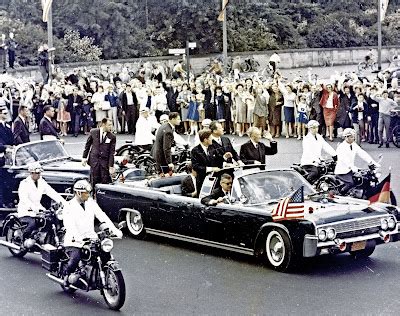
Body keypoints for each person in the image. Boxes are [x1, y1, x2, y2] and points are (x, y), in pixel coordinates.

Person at [62, 179, 123, 287]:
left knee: (104, 254)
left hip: (91, 237)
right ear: (78, 193)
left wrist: (115, 230)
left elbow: (102, 216)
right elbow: (69, 225)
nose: (88, 195)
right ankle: (66, 276)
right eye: (86, 193)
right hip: (74, 240)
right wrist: (79, 237)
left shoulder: (90, 202)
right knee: (75, 258)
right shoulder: (69, 206)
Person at [17, 162, 65, 248]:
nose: (39, 175)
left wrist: (63, 202)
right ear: (32, 173)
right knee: (33, 223)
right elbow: (24, 199)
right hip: (26, 211)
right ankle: (23, 241)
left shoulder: (41, 182)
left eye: (40, 173)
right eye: (37, 173)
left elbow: (52, 192)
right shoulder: (24, 183)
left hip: (39, 210)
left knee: (51, 220)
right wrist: (34, 208)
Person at [334, 128, 378, 194]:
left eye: (353, 136)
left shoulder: (353, 145)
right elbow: (344, 160)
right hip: (342, 171)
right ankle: (341, 193)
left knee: (364, 178)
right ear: (346, 137)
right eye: (351, 137)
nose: (353, 138)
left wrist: (372, 162)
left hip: (351, 170)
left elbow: (362, 153)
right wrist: (352, 167)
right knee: (351, 183)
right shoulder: (341, 147)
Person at [82, 118, 116, 188]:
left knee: (104, 183)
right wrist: (84, 158)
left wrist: (111, 166)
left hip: (104, 163)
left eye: (111, 125)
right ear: (103, 124)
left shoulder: (112, 137)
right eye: (109, 125)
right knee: (94, 182)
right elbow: (87, 146)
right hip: (94, 162)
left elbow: (111, 152)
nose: (111, 127)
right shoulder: (93, 132)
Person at [0, 105, 13, 207]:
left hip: (7, 157)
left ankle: (8, 200)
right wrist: (5, 148)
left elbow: (11, 139)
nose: (6, 115)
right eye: (4, 113)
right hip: (1, 156)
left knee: (7, 180)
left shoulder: (7, 125)